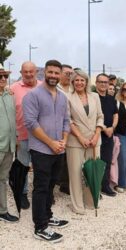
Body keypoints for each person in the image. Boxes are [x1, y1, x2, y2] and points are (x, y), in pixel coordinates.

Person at [22, 60, 69, 243]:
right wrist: (51, 143)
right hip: (41, 149)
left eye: (57, 73)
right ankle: (40, 226)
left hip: (59, 149)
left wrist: (63, 141)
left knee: (51, 185)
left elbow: (66, 121)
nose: (53, 76)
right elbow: (31, 124)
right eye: (50, 72)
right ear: (44, 72)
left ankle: (48, 215)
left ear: (60, 75)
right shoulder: (33, 96)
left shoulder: (63, 97)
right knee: (41, 187)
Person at [66, 70, 105, 214]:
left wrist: (96, 134)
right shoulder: (67, 97)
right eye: (76, 80)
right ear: (72, 82)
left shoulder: (94, 96)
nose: (79, 83)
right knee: (75, 174)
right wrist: (80, 138)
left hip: (94, 141)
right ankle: (77, 205)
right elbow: (68, 120)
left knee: (93, 172)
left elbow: (100, 116)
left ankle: (91, 201)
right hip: (76, 141)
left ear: (87, 82)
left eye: (82, 80)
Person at [10, 61, 42, 209]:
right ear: (21, 72)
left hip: (42, 137)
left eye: (31, 71)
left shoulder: (44, 87)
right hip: (21, 136)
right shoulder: (13, 89)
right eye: (25, 72)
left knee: (41, 167)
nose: (28, 74)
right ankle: (22, 194)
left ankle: (41, 193)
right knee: (22, 166)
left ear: (36, 71)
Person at [0, 64, 19, 223]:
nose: (3, 79)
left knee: (2, 179)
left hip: (8, 146)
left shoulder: (8, 94)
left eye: (5, 76)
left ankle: (2, 210)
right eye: (0, 76)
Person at [95, 73, 118, 197]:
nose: (103, 84)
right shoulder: (93, 98)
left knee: (107, 162)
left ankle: (105, 186)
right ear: (96, 83)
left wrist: (112, 128)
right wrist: (104, 129)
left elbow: (116, 114)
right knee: (96, 162)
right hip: (97, 134)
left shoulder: (111, 98)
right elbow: (93, 117)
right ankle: (95, 187)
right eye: (101, 82)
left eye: (106, 82)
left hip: (109, 135)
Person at [57, 64, 74, 196]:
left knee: (70, 158)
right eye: (67, 73)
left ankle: (66, 184)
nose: (69, 76)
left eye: (71, 74)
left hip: (73, 128)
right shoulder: (54, 88)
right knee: (57, 157)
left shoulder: (73, 89)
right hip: (58, 127)